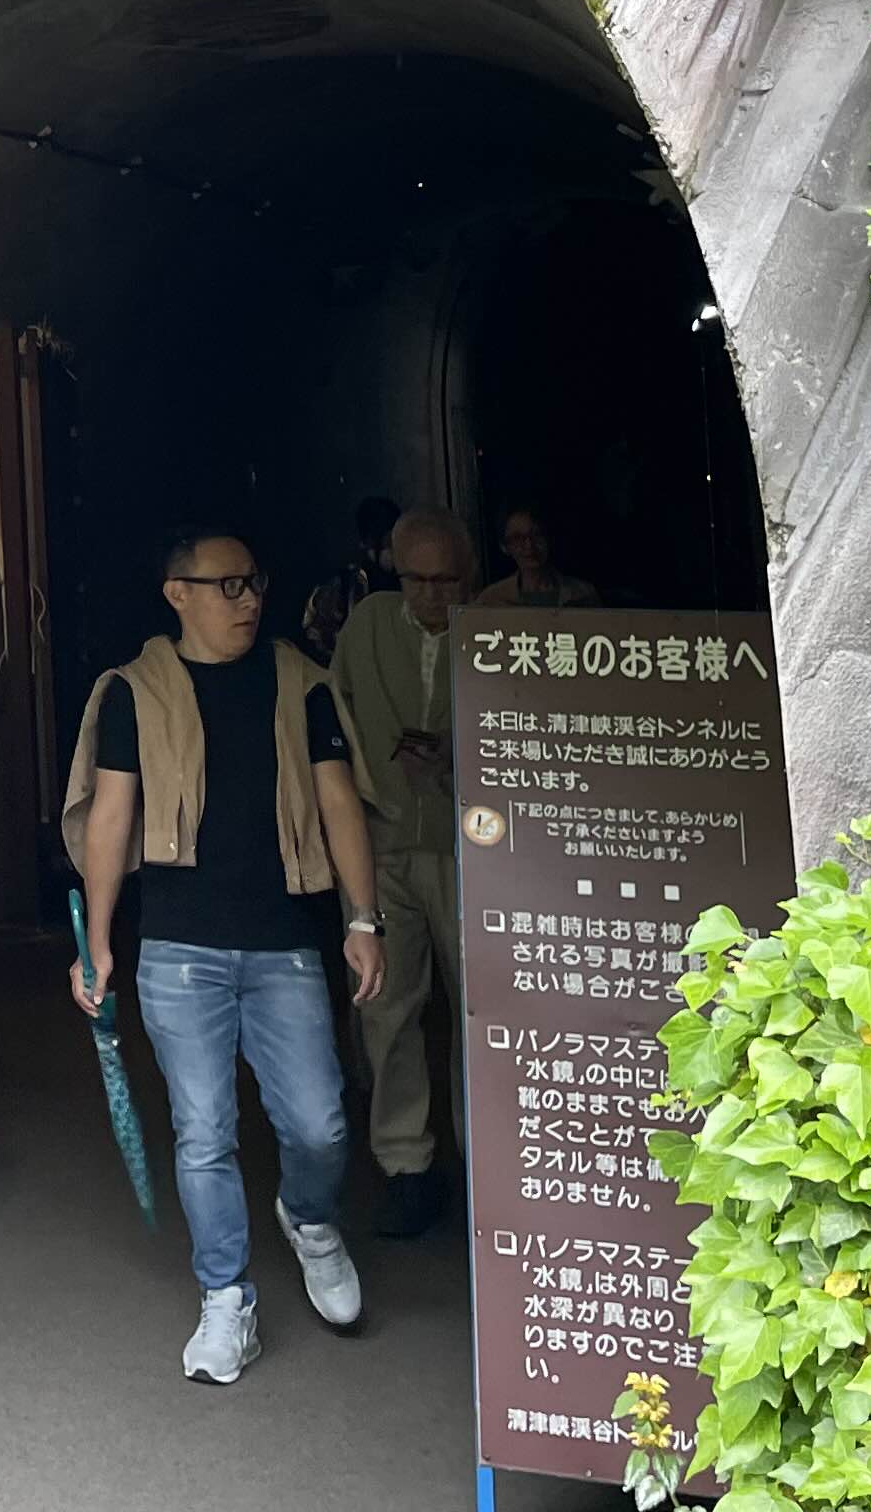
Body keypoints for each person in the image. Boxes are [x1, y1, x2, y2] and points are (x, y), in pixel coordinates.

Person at [62, 531, 388, 1385]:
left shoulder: (301, 683)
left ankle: (309, 1219)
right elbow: (111, 817)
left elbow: (338, 803)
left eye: (255, 583)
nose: (249, 600)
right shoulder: (136, 692)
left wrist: (363, 918)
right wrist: (98, 941)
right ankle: (225, 1297)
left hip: (283, 943)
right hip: (178, 948)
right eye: (228, 585)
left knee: (320, 1124)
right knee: (203, 1131)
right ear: (178, 593)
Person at [329, 507, 473, 1237]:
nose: (431, 594)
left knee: (481, 1008)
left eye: (445, 581)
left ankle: (486, 1161)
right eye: (417, 579)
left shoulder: (491, 630)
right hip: (382, 840)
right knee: (386, 1006)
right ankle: (404, 1163)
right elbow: (334, 720)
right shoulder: (368, 625)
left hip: (469, 846)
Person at [297, 494, 399, 661]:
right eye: (388, 541)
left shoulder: (406, 580)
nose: (395, 549)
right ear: (368, 542)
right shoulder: (346, 587)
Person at [467, 506, 599, 611]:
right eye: (518, 538)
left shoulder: (583, 594)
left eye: (537, 534)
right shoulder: (492, 599)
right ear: (505, 546)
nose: (529, 545)